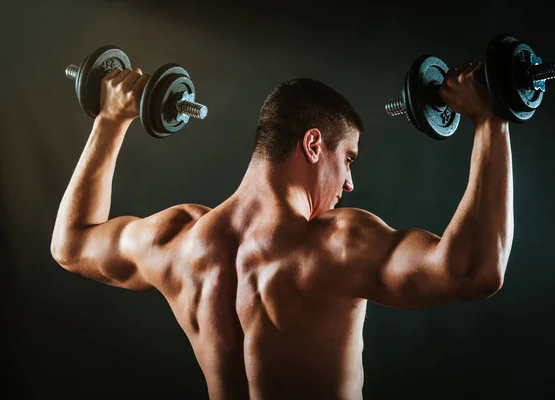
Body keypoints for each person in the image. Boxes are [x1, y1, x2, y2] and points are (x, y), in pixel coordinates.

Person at [50, 61, 513, 400]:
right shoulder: (337, 245)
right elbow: (475, 270)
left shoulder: (176, 240)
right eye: (347, 158)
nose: (350, 182)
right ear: (314, 144)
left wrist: (109, 122)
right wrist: (491, 120)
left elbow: (71, 244)